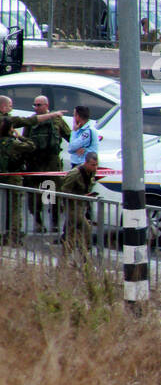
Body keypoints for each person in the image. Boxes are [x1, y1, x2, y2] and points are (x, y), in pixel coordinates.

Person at [21, 95, 70, 232]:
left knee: (53, 193)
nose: (36, 108)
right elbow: (25, 140)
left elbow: (69, 136)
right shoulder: (32, 121)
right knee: (34, 194)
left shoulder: (57, 120)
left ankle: (54, 222)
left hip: (51, 162)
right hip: (35, 162)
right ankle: (38, 221)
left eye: (39, 105)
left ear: (46, 106)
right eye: (35, 105)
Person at [59, 151, 99, 263]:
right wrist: (81, 197)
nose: (95, 168)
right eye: (92, 165)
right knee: (85, 230)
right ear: (86, 163)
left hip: (81, 207)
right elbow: (64, 191)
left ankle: (69, 261)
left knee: (71, 234)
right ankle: (83, 259)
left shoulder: (90, 173)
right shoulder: (75, 173)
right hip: (72, 207)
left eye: (96, 165)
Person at [0, 118, 34, 242]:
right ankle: (14, 235)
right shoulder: (12, 143)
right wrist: (20, 137)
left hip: (2, 177)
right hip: (13, 177)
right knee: (15, 206)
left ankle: (3, 232)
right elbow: (31, 146)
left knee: (3, 206)